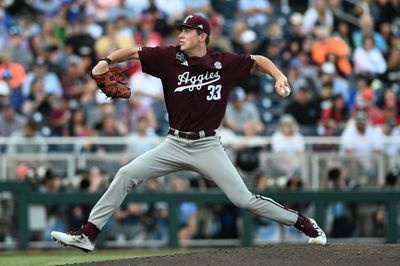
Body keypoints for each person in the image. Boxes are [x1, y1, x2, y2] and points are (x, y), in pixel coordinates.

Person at [51, 14, 326, 252]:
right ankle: (89, 234)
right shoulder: (169, 58)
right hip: (173, 143)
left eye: (186, 31)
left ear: (202, 36)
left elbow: (259, 60)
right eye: (180, 30)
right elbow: (134, 52)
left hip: (207, 146)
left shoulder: (223, 63)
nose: (180, 34)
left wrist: (278, 76)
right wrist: (105, 61)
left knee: (243, 199)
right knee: (125, 174)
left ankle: (304, 223)